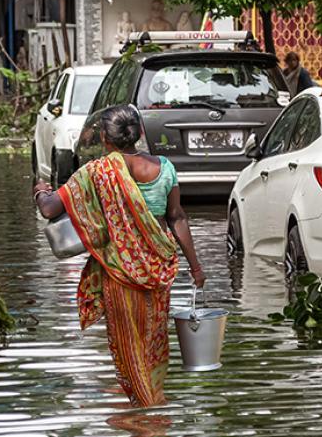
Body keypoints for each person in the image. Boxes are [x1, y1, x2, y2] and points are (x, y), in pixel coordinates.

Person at [32, 105, 205, 408]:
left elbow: (49, 209)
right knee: (152, 344)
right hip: (158, 273)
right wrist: (196, 267)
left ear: (104, 137)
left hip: (120, 275)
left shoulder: (97, 173)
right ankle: (151, 407)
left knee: (129, 349)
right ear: (138, 133)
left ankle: (145, 416)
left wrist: (40, 190)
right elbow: (177, 218)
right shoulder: (164, 167)